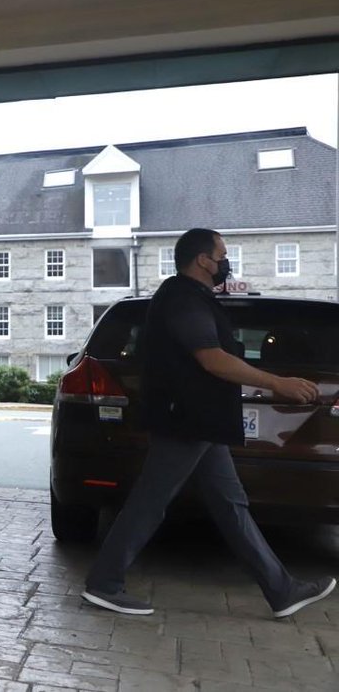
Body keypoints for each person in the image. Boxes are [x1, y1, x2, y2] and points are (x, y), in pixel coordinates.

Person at [82, 228, 334, 619]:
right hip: (187, 420)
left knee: (231, 506)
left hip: (201, 422)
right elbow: (212, 359)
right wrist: (276, 383)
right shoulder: (183, 298)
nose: (225, 263)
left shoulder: (193, 298)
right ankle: (104, 583)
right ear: (203, 259)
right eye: (221, 254)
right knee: (151, 501)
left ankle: (282, 590)